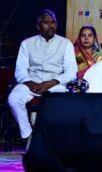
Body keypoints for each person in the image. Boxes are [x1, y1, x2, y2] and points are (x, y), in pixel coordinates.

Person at [8, 9, 77, 143]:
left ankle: (54, 138)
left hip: (55, 85)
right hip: (31, 82)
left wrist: (52, 82)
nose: (51, 25)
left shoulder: (66, 44)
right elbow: (20, 70)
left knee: (61, 101)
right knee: (14, 99)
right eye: (46, 23)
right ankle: (29, 135)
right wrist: (30, 83)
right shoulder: (27, 43)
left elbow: (71, 72)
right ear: (38, 26)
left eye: (53, 22)